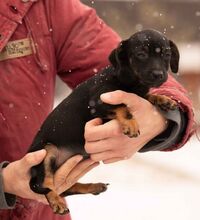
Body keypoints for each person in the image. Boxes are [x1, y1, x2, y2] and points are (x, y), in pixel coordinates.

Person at [0, 0, 194, 219]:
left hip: (40, 213)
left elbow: (126, 65)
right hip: (43, 177)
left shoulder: (44, 7)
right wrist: (3, 183)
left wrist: (163, 119)